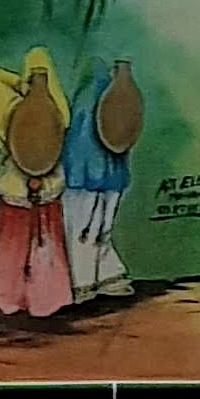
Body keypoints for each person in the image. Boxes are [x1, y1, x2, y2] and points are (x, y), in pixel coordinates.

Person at [0, 48, 73, 319]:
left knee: (11, 245)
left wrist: (21, 84)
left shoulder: (8, 109)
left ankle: (6, 296)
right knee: (47, 244)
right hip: (49, 188)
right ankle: (48, 299)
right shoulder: (61, 112)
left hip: (16, 188)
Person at [62, 56, 142, 301]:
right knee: (100, 230)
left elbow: (78, 146)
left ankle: (84, 282)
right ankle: (106, 277)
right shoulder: (114, 99)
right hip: (110, 177)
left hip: (83, 178)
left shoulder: (85, 101)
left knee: (81, 230)